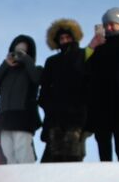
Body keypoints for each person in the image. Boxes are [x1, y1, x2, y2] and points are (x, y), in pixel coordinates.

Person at [38, 18, 90, 163]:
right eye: (61, 38)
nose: (65, 40)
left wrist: (83, 106)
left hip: (76, 115)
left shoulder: (82, 55)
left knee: (73, 157)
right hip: (55, 117)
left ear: (74, 38)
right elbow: (44, 88)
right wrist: (48, 106)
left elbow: (88, 83)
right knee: (51, 159)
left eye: (68, 37)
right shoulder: (51, 61)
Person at [85, 8, 119, 161]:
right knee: (103, 141)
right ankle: (105, 172)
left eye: (113, 24)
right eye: (107, 25)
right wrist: (92, 46)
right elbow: (84, 65)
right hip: (101, 100)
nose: (109, 28)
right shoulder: (99, 45)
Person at [0, 35, 42, 164]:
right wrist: (6, 64)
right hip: (4, 116)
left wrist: (26, 59)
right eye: (16, 50)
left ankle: (29, 179)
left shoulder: (34, 69)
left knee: (22, 150)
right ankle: (14, 181)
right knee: (7, 151)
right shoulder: (7, 71)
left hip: (22, 116)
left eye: (22, 51)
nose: (18, 54)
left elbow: (37, 79)